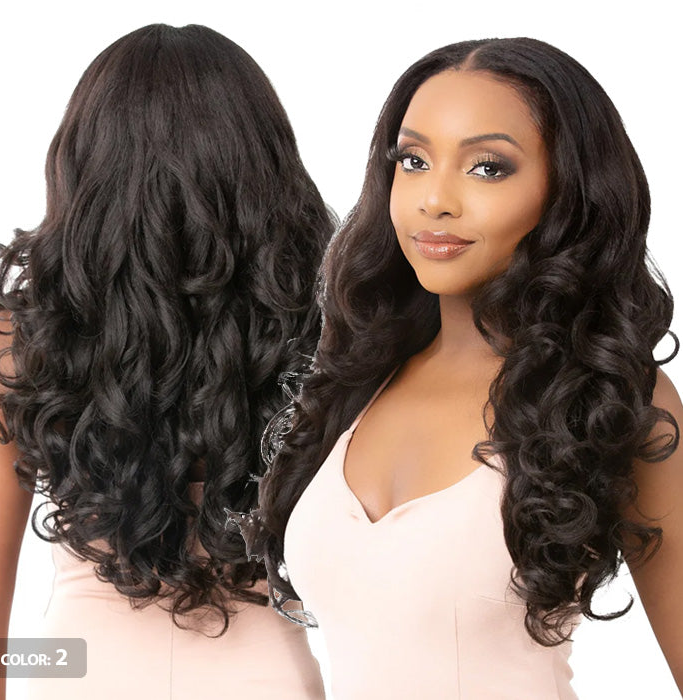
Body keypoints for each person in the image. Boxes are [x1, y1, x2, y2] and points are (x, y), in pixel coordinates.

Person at [241, 37, 683, 698]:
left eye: (487, 168)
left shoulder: (613, 397)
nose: (435, 199)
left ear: (568, 191)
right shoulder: (360, 379)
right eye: (413, 160)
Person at [0, 23, 333, 700]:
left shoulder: (13, 341)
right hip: (267, 679)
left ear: (82, 165)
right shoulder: (322, 329)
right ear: (266, 167)